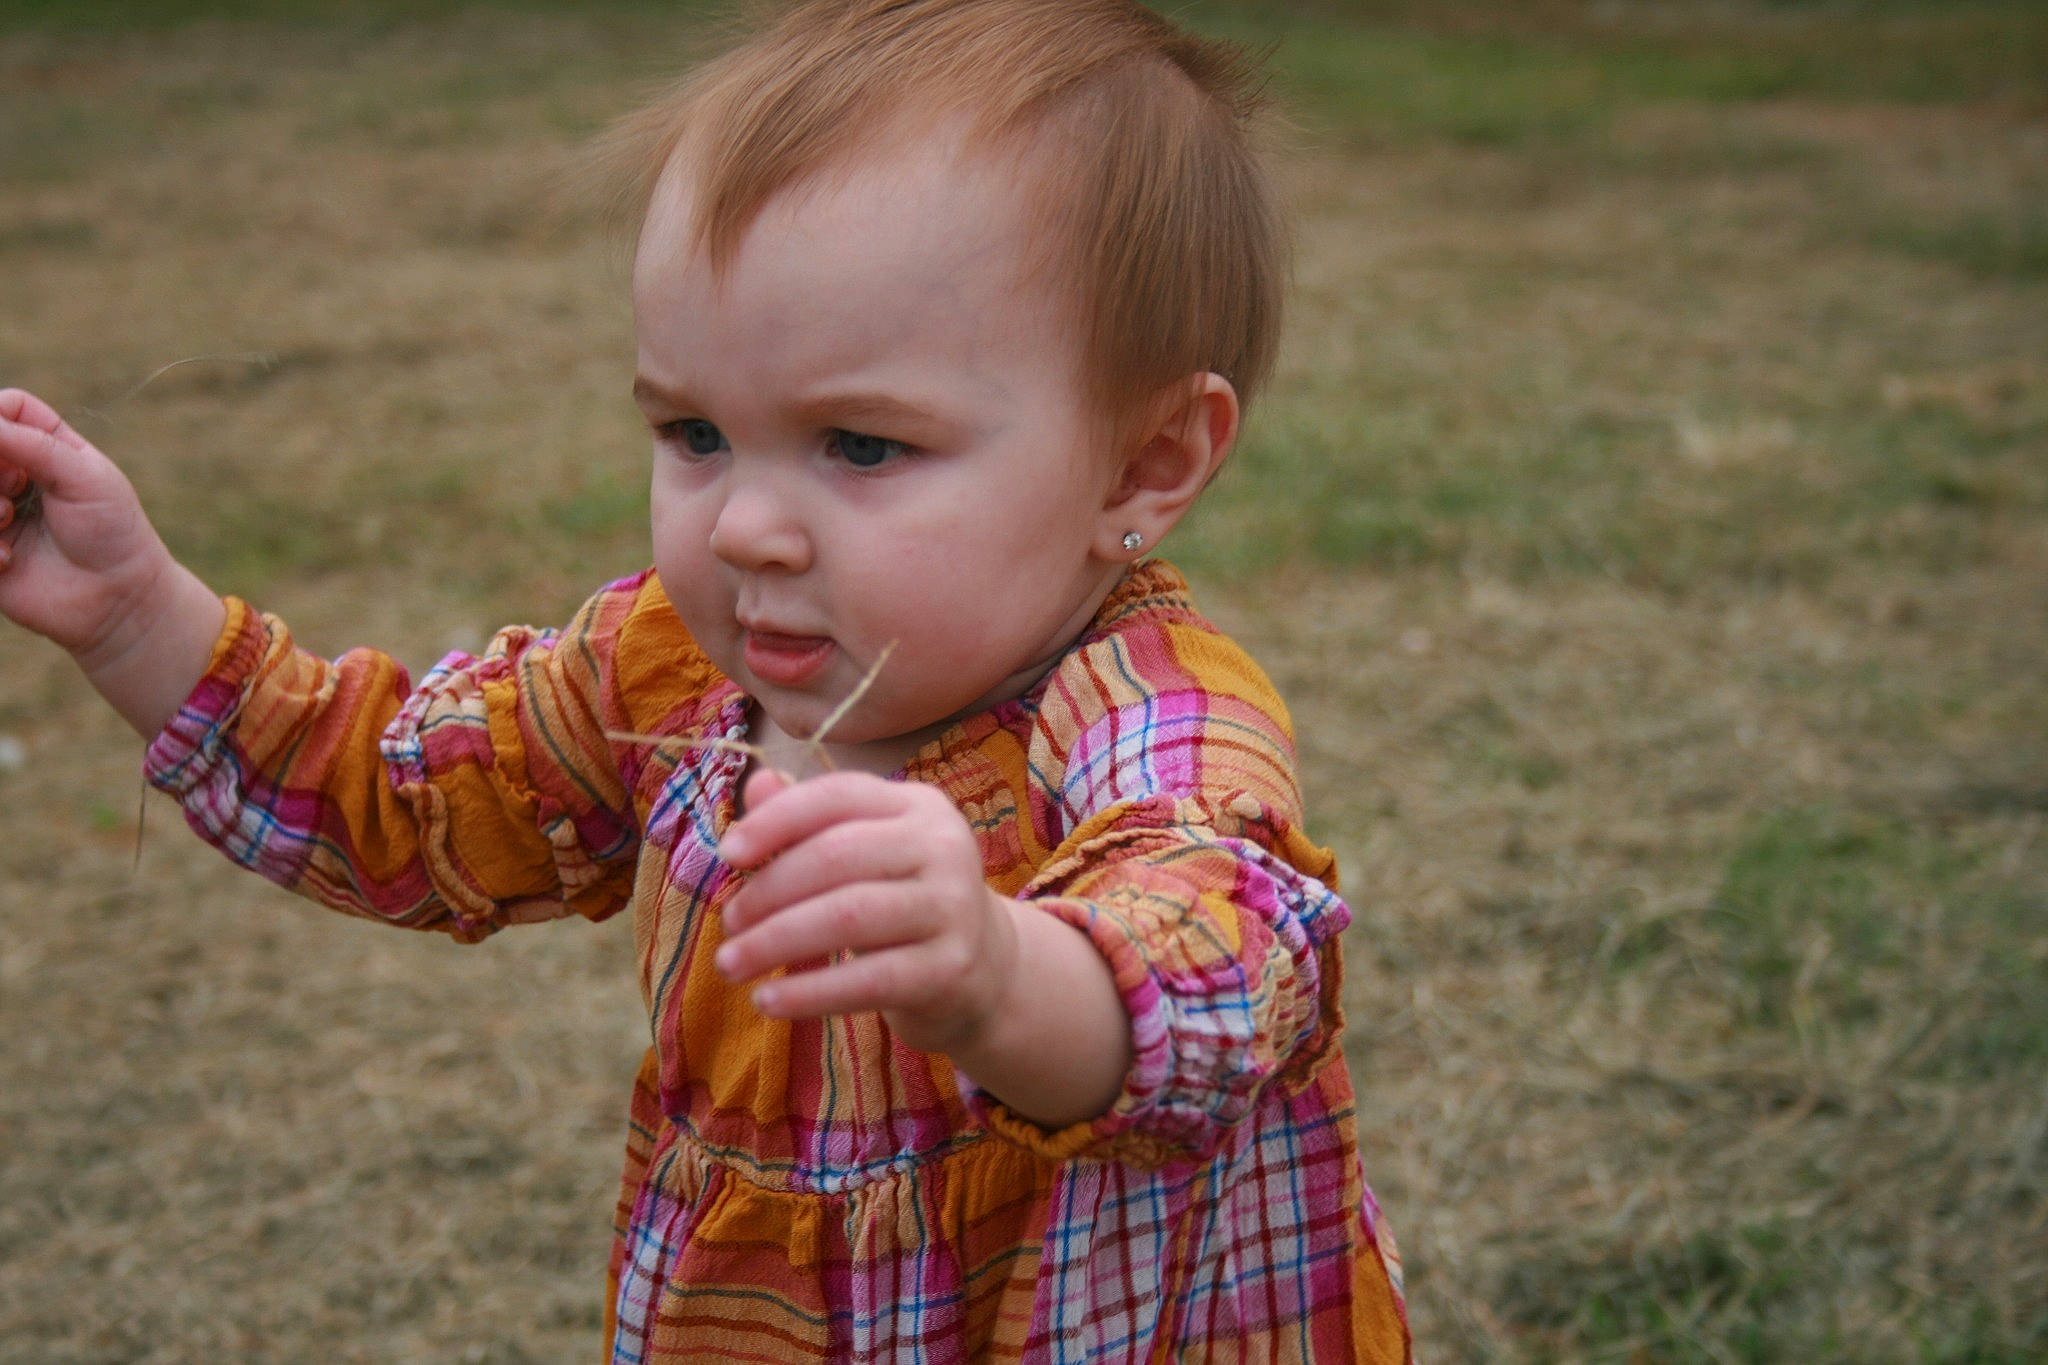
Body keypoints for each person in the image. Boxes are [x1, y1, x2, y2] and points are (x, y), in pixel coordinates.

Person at [0, 0, 1412, 1358]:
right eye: (695, 431)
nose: (744, 527)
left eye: (861, 446)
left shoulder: (1144, 707)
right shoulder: (668, 675)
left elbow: (1223, 965)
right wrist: (134, 616)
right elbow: (406, 797)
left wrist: (997, 974)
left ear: (1144, 464)